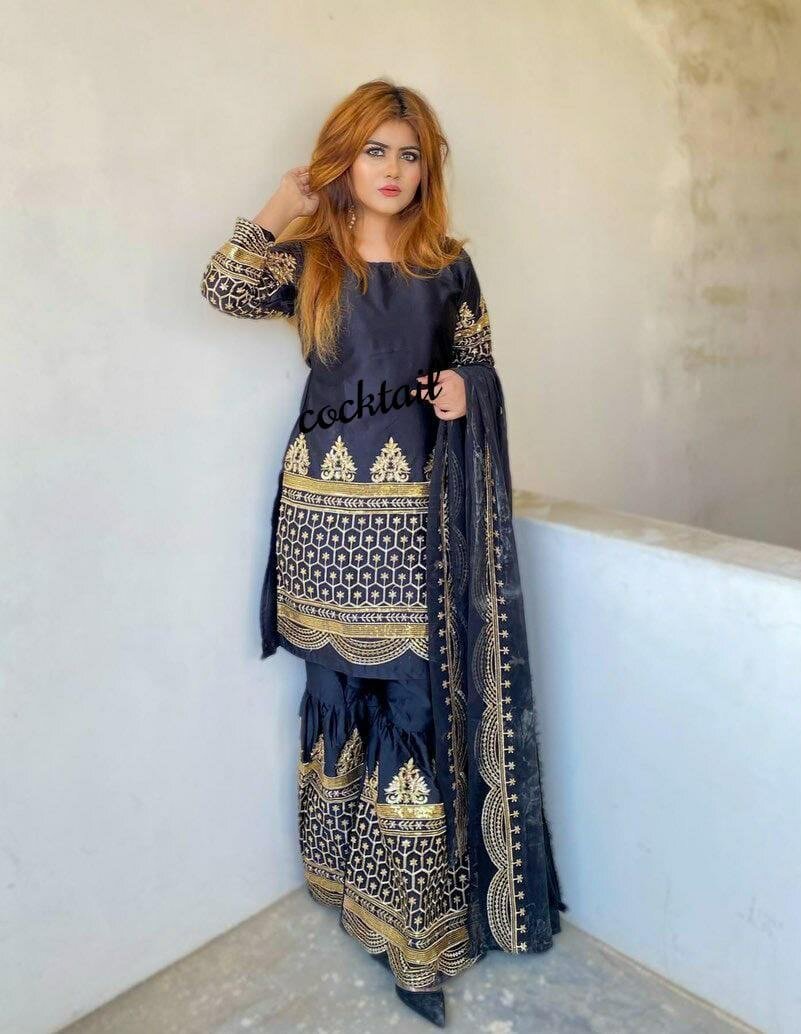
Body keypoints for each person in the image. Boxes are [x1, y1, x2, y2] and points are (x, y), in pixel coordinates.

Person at [200, 78, 567, 1028]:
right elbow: (224, 287)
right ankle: (339, 882)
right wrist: (286, 200)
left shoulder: (449, 268)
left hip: (416, 524)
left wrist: (466, 392)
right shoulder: (312, 260)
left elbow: (480, 364)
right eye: (375, 151)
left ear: (427, 168)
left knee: (413, 702)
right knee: (336, 695)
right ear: (346, 159)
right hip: (322, 520)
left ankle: (417, 939)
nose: (394, 170)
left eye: (409, 154)